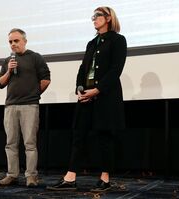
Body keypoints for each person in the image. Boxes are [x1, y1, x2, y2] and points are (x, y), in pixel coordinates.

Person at [47, 6, 127, 192]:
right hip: (87, 96)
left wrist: (97, 90)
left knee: (104, 136)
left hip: (105, 96)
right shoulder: (92, 43)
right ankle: (70, 178)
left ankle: (105, 179)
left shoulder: (117, 40)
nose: (94, 19)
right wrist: (80, 88)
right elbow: (83, 69)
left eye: (97, 16)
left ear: (108, 18)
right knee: (78, 135)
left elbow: (116, 69)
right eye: (93, 16)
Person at [0, 28, 51, 187]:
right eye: (10, 42)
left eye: (16, 41)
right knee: (11, 143)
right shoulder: (8, 61)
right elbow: (0, 83)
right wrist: (9, 71)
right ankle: (12, 175)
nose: (13, 44)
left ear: (24, 41)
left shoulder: (35, 57)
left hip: (29, 105)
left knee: (30, 143)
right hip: (11, 106)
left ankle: (31, 176)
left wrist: (34, 94)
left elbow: (46, 79)